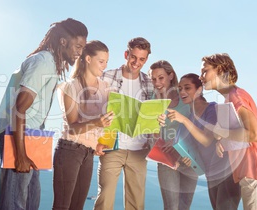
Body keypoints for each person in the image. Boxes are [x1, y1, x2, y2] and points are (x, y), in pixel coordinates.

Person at [0, 18, 88, 210]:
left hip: (33, 135)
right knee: (15, 202)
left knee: (30, 201)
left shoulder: (51, 64)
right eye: (78, 46)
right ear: (63, 41)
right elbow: (19, 108)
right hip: (21, 135)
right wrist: (20, 155)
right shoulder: (44, 61)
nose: (80, 53)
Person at [200, 53, 257, 210]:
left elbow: (253, 134)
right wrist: (223, 141)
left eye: (205, 71)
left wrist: (221, 132)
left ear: (220, 69)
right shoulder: (229, 98)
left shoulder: (236, 97)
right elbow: (241, 137)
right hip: (252, 179)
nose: (201, 76)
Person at [161, 73, 241, 209]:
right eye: (180, 88)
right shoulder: (190, 116)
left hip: (226, 172)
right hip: (211, 173)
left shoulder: (212, 109)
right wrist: (187, 159)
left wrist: (184, 120)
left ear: (199, 90)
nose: (182, 92)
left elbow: (207, 140)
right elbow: (194, 149)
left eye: (187, 88)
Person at [93, 37, 154, 210]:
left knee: (136, 203)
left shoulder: (149, 84)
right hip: (112, 146)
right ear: (126, 54)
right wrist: (97, 139)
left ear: (146, 60)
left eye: (142, 59)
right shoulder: (107, 76)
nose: (136, 62)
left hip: (139, 150)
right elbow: (94, 108)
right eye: (133, 57)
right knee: (105, 198)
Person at [52, 40, 114, 210]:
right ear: (88, 59)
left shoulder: (106, 88)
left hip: (89, 153)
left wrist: (101, 142)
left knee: (77, 207)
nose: (105, 66)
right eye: (101, 61)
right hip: (69, 150)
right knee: (61, 207)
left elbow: (108, 123)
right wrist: (96, 122)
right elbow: (72, 127)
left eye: (107, 62)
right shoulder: (71, 87)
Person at [148, 61, 197, 210]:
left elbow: (198, 124)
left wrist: (179, 141)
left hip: (189, 157)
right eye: (153, 79)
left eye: (161, 78)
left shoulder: (186, 95)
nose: (157, 83)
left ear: (171, 76)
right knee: (171, 206)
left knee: (184, 206)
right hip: (166, 158)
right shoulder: (152, 99)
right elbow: (151, 133)